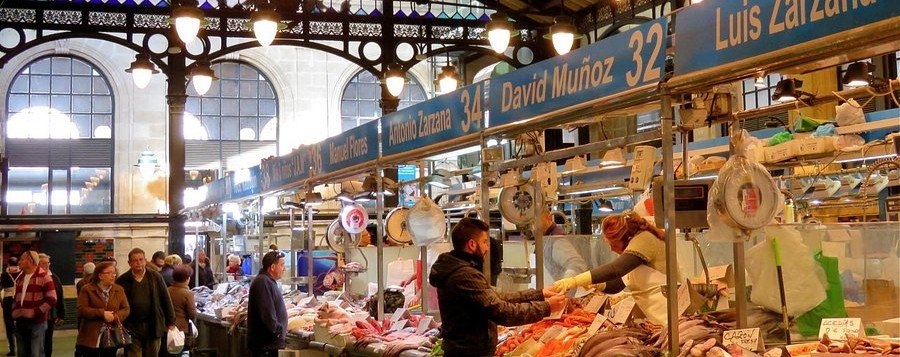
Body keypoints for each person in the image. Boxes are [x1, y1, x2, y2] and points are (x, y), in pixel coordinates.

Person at [429, 218, 565, 357]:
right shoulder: (464, 275)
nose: (488, 248)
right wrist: (546, 307)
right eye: (484, 242)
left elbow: (495, 297)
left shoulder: (459, 269)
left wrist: (539, 294)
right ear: (472, 244)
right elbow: (502, 311)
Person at [551, 211, 677, 324]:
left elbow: (616, 269)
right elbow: (617, 284)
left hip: (672, 315)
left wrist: (575, 280)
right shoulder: (634, 254)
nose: (611, 249)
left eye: (613, 244)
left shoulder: (644, 239)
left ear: (625, 237)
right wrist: (599, 285)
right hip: (658, 318)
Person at [116, 248, 175, 357]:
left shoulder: (156, 277)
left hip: (153, 324)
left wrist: (170, 321)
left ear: (145, 261)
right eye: (135, 260)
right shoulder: (122, 280)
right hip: (131, 326)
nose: (138, 263)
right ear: (129, 263)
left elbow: (165, 299)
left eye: (141, 260)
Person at [76, 261, 130, 357]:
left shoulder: (119, 290)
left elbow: (126, 309)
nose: (113, 276)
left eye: (114, 273)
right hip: (91, 335)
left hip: (112, 335)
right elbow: (82, 309)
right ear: (100, 276)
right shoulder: (87, 289)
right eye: (109, 273)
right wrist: (102, 314)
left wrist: (114, 317)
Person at [11, 251, 57, 357]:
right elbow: (16, 298)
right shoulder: (20, 278)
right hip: (20, 321)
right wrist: (14, 311)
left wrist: (35, 312)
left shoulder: (44, 277)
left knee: (36, 353)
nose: (19, 262)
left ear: (30, 261)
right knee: (22, 352)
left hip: (37, 323)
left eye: (22, 259)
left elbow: (52, 299)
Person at [247, 251, 287, 357]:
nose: (284, 269)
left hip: (268, 345)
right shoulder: (263, 282)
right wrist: (278, 331)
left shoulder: (267, 281)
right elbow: (267, 313)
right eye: (282, 265)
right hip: (265, 346)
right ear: (273, 267)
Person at [537, 210, 591, 283]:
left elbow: (577, 264)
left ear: (548, 217)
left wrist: (564, 284)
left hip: (566, 291)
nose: (533, 226)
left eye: (535, 220)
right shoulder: (547, 237)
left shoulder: (557, 240)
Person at [37, 253, 64, 357]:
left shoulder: (55, 278)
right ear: (37, 264)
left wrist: (61, 314)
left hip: (50, 316)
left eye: (48, 263)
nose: (47, 265)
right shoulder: (33, 277)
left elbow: (60, 296)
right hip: (37, 316)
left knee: (48, 341)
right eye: (43, 263)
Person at [167, 265, 196, 355]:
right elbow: (192, 314)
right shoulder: (188, 293)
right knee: (179, 353)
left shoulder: (167, 290)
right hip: (181, 330)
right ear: (187, 278)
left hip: (167, 329)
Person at [1, 257, 21, 356]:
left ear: (8, 264)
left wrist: (1, 301)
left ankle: (12, 350)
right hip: (18, 300)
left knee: (9, 326)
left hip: (7, 301)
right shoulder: (22, 274)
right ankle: (21, 347)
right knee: (20, 324)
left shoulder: (4, 275)